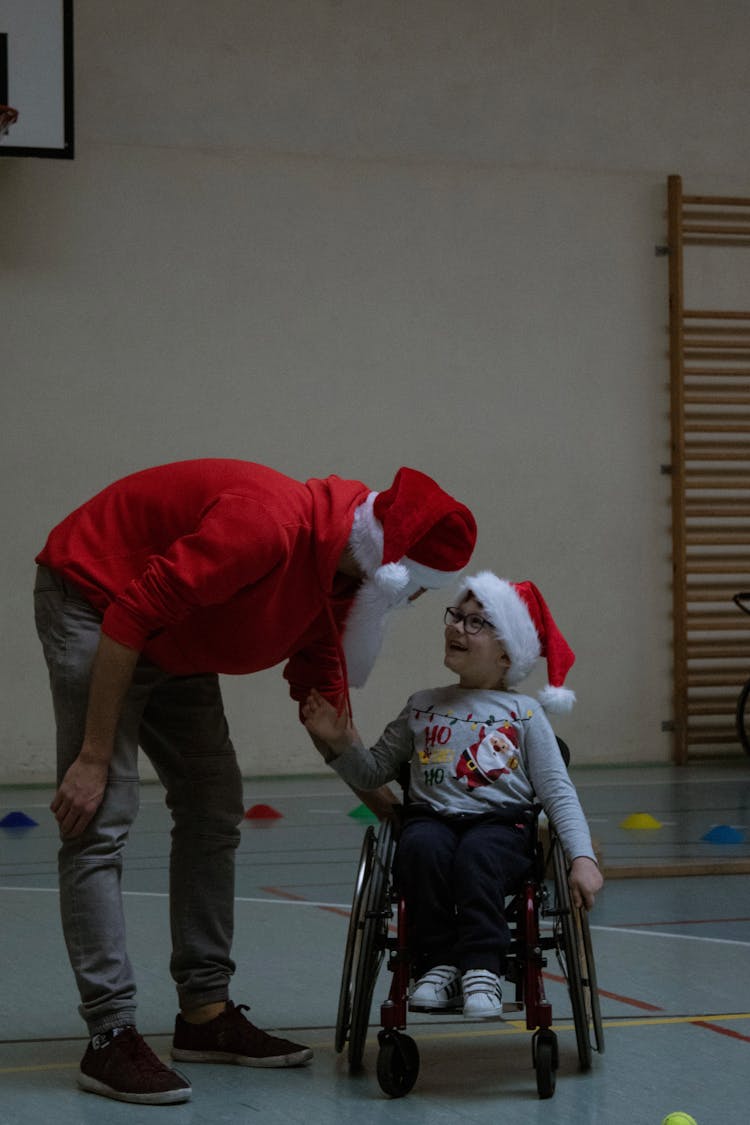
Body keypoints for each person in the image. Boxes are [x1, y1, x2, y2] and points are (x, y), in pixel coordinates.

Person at [33, 459, 476, 1104]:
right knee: (99, 815)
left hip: (174, 636)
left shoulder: (336, 583)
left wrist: (396, 811)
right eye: (418, 590)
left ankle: (205, 1014)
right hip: (97, 600)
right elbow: (132, 612)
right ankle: (109, 1034)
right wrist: (93, 755)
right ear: (391, 570)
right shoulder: (267, 527)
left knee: (215, 805)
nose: (416, 603)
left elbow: (328, 716)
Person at [302, 570, 603, 1020]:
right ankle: (438, 965)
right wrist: (340, 744)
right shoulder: (422, 704)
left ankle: (482, 968)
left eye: (476, 622)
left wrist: (583, 860)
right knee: (418, 849)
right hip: (432, 821)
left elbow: (558, 792)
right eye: (456, 616)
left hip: (502, 827)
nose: (457, 627)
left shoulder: (524, 713)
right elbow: (373, 770)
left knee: (477, 855)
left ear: (508, 652)